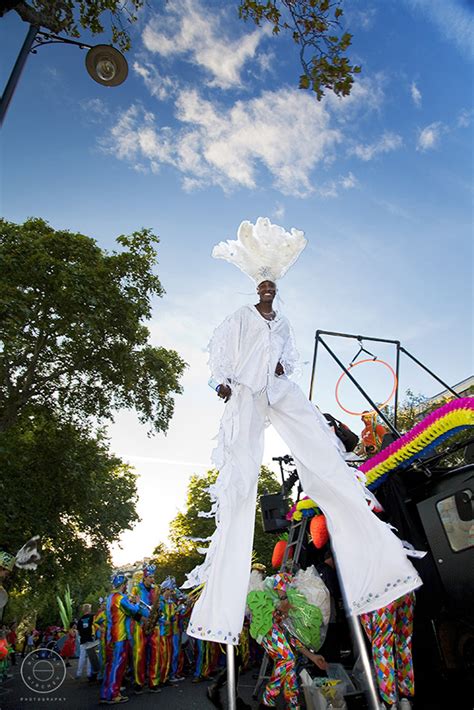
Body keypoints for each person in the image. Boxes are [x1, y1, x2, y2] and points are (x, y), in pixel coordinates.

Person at [184, 217, 422, 653]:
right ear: (256, 291)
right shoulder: (241, 316)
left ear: (277, 291)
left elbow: (287, 358)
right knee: (239, 480)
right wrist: (221, 382)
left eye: (273, 288)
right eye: (263, 288)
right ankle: (221, 604)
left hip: (275, 389)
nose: (268, 292)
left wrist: (280, 369)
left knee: (322, 454)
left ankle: (375, 559)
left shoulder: (283, 323)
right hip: (244, 389)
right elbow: (220, 348)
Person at [100, 573, 149, 705]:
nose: (126, 587)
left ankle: (105, 693)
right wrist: (137, 603)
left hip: (111, 635)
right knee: (118, 665)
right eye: (125, 585)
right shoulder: (121, 598)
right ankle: (114, 694)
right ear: (122, 585)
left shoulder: (110, 597)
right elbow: (133, 610)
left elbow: (123, 612)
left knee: (110, 665)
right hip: (120, 635)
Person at [129, 564, 160, 693]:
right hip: (140, 625)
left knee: (155, 654)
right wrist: (141, 618)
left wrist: (157, 615)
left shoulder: (156, 589)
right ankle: (139, 682)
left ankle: (154, 682)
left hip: (154, 625)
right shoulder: (136, 589)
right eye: (150, 577)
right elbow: (130, 607)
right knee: (139, 654)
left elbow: (159, 605)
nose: (153, 580)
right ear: (145, 577)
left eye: (153, 577)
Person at [76, 603, 95, 680]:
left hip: (83, 639)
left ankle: (78, 673)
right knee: (89, 657)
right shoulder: (92, 617)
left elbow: (79, 630)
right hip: (90, 639)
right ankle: (88, 673)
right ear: (89, 609)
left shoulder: (80, 619)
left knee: (82, 657)